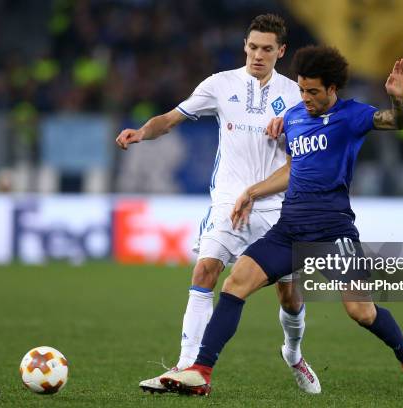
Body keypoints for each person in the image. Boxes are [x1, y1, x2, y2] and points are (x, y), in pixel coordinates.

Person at [160, 46, 403, 398]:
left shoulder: (352, 116)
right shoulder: (294, 117)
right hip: (289, 229)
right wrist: (253, 191)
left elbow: (397, 122)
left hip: (333, 232)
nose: (305, 98)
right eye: (301, 89)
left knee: (361, 311)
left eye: (313, 91)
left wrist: (398, 101)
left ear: (333, 89)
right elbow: (293, 168)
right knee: (235, 282)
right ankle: (201, 371)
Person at [115, 14, 320, 394]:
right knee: (205, 272)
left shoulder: (296, 95)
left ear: (281, 51)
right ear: (245, 46)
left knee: (289, 296)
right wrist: (143, 132)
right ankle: (185, 366)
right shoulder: (220, 85)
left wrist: (293, 126)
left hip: (276, 208)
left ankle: (293, 352)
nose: (258, 55)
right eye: (253, 47)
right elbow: (172, 118)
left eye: (267, 49)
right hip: (228, 203)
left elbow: (309, 151)